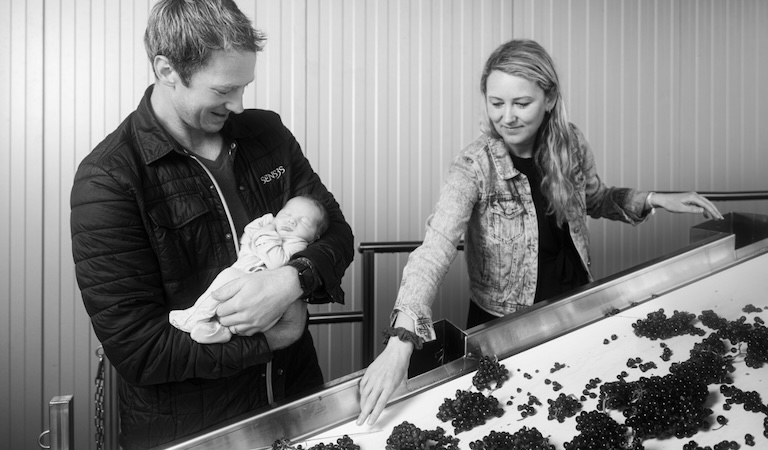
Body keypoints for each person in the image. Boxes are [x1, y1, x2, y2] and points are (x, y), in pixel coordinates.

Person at [356, 38, 723, 426]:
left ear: (548, 99)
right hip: (505, 329)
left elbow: (594, 199)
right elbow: (436, 247)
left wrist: (652, 198)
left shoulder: (571, 143)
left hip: (578, 306)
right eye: (496, 103)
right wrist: (402, 341)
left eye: (521, 103)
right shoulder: (474, 165)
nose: (507, 116)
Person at [69, 0, 354, 448]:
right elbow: (140, 350)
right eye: (224, 90)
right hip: (195, 430)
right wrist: (273, 336)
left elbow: (336, 231)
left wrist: (291, 281)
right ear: (167, 70)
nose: (239, 105)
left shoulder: (268, 135)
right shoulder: (109, 181)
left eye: (245, 87)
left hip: (294, 400)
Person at [170, 195, 330, 344]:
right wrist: (262, 226)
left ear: (315, 236)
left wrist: (267, 232)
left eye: (304, 222)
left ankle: (194, 317)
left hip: (263, 298)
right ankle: (218, 330)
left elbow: (277, 263)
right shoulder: (271, 228)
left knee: (228, 276)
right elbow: (246, 238)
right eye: (287, 214)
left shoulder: (297, 243)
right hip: (246, 287)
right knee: (227, 302)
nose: (292, 221)